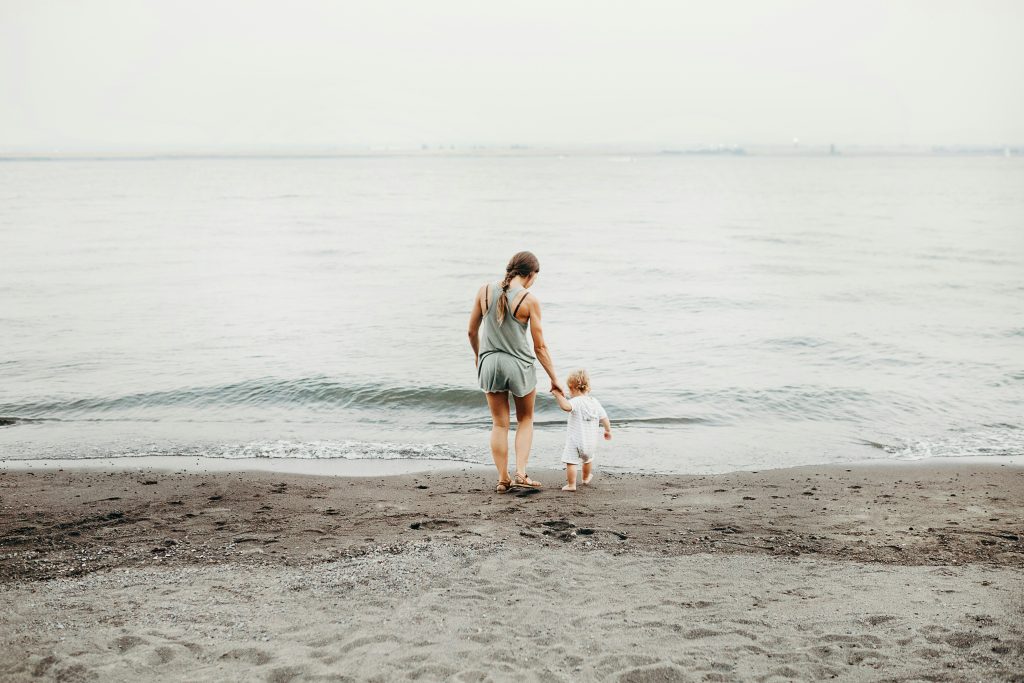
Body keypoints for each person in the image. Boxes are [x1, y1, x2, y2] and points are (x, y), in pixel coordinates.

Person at [467, 251, 564, 493]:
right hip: (519, 365)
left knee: (499, 424)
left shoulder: (484, 291)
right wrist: (555, 379)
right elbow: (540, 347)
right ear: (530, 275)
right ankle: (521, 473)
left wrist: (480, 357)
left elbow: (471, 332)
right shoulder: (529, 300)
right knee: (525, 420)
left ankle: (503, 479)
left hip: (490, 363)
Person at [551, 369, 612, 492]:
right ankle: (585, 478)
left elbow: (565, 406)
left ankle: (571, 485)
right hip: (590, 442)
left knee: (571, 462)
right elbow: (604, 418)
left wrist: (557, 395)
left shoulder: (576, 401)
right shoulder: (595, 402)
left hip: (575, 441)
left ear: (572, 387)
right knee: (588, 460)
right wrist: (607, 430)